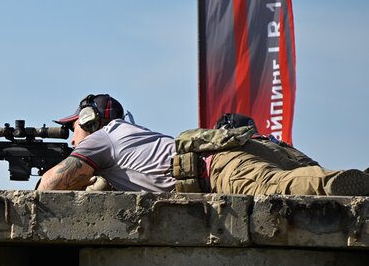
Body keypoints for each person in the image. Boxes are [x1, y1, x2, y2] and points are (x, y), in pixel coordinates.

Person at [37, 93, 369, 196]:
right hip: (243, 148)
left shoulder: (102, 138)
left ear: (88, 122)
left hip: (222, 167)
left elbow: (50, 188)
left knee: (281, 187)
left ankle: (339, 184)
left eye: (72, 130)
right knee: (304, 174)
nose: (72, 139)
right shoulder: (128, 136)